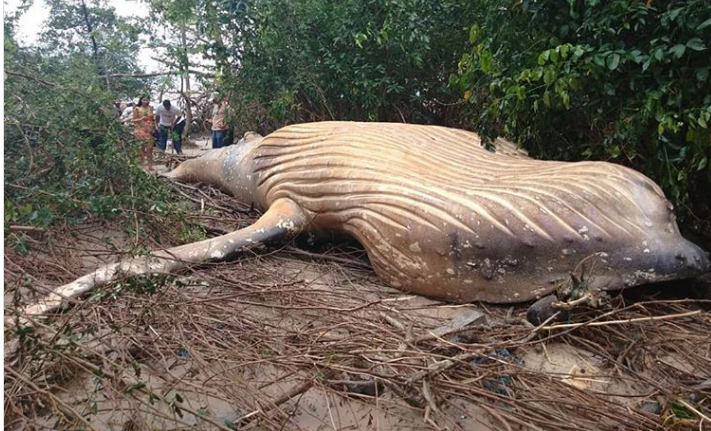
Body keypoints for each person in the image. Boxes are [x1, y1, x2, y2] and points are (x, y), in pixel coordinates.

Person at [131, 95, 155, 171]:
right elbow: (133, 120)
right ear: (141, 100)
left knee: (150, 148)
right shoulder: (137, 109)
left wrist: (153, 127)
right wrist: (141, 119)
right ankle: (142, 165)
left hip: (148, 130)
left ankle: (150, 165)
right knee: (141, 149)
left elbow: (152, 119)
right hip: (140, 130)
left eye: (147, 100)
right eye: (144, 100)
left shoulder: (150, 108)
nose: (145, 101)